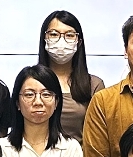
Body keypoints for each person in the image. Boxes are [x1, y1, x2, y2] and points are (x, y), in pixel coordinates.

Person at [37, 11, 106, 142]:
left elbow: (99, 136)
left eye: (69, 35)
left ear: (79, 42)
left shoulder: (94, 85)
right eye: (54, 34)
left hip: (80, 154)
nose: (61, 41)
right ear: (44, 39)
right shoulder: (31, 81)